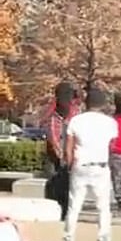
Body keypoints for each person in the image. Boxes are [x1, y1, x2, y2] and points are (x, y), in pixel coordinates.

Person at [62, 88, 119, 241]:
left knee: (74, 207)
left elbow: (68, 147)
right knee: (103, 208)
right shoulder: (110, 122)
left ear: (87, 103)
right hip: (100, 166)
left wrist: (70, 164)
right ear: (103, 104)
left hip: (80, 165)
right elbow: (113, 146)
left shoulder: (76, 121)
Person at [44, 82, 81, 221]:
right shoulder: (52, 115)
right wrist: (62, 156)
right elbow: (53, 138)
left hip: (70, 155)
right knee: (54, 185)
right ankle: (54, 211)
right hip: (55, 157)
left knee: (68, 186)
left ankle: (66, 212)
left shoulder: (76, 113)